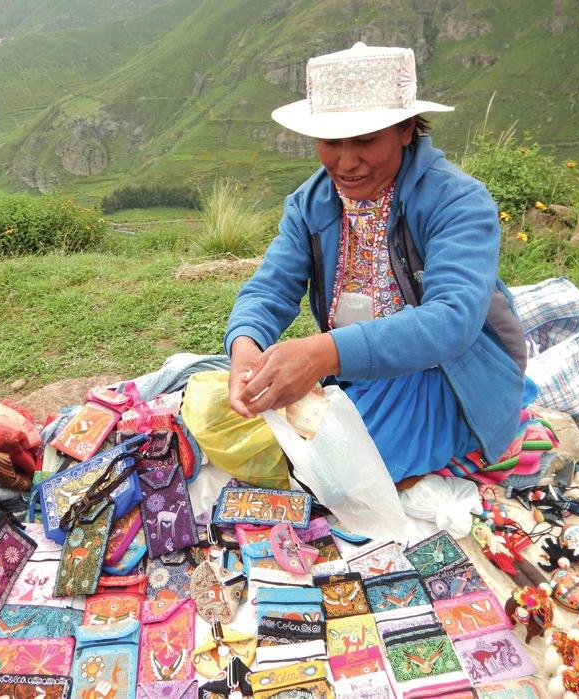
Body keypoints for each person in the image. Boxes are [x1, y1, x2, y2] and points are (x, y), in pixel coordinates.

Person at [224, 43, 532, 483]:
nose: (346, 163)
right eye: (330, 142)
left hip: (451, 373)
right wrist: (245, 346)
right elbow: (270, 289)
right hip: (353, 365)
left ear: (405, 130)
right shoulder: (310, 205)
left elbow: (453, 320)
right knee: (242, 430)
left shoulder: (458, 201)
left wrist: (322, 353)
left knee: (337, 473)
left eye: (366, 141)